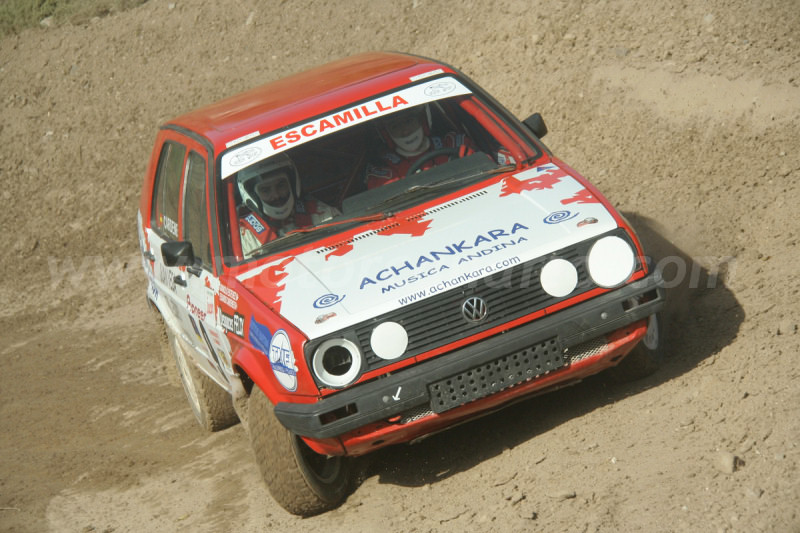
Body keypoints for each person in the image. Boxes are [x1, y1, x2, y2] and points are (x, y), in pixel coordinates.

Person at [364, 104, 516, 190]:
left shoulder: (455, 143)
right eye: (396, 126)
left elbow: (489, 171)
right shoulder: (383, 171)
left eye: (409, 121)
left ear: (422, 121)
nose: (405, 131)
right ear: (386, 134)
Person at [237, 154, 339, 255]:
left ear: (292, 184)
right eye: (265, 190)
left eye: (281, 185)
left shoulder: (321, 213)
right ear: (252, 195)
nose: (276, 195)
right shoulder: (246, 237)